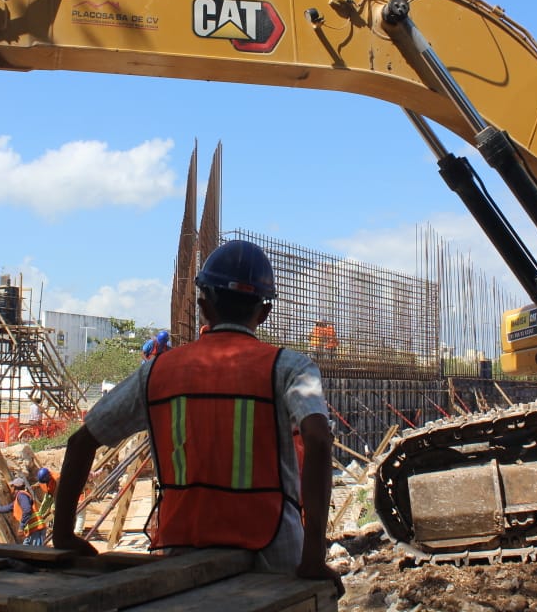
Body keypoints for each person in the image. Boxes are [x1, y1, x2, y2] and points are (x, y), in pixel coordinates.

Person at [51, 239, 343, 596]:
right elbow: (317, 438)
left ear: (203, 305)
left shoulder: (156, 372)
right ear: (263, 313)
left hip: (182, 549)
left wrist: (63, 534)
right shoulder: (289, 367)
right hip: (273, 552)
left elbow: (81, 442)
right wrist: (312, 556)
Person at [0, 476, 45, 545]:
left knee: (36, 553)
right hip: (32, 530)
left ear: (15, 487)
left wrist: (21, 526)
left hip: (36, 530)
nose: (10, 488)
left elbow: (27, 510)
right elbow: (9, 507)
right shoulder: (19, 498)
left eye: (12, 486)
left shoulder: (21, 495)